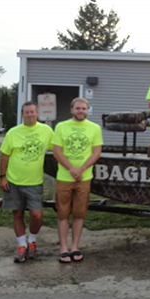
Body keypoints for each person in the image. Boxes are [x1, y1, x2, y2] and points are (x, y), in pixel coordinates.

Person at [0, 101, 54, 262]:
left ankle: (32, 241)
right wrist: (2, 177)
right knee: (17, 213)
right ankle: (21, 245)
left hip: (35, 182)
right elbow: (4, 155)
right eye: (26, 112)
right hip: (13, 181)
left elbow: (58, 148)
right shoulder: (13, 132)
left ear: (38, 113)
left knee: (36, 215)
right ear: (22, 114)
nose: (30, 114)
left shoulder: (46, 131)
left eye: (32, 112)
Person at [52, 97, 103, 263]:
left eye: (84, 109)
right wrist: (71, 168)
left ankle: (75, 246)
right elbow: (57, 151)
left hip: (84, 177)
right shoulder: (61, 127)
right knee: (63, 214)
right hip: (64, 177)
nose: (81, 111)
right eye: (78, 108)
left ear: (87, 110)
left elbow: (96, 152)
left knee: (80, 214)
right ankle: (63, 248)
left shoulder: (94, 128)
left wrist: (81, 169)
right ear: (72, 110)